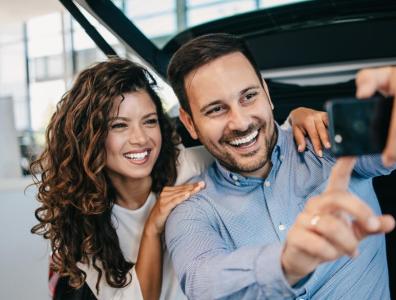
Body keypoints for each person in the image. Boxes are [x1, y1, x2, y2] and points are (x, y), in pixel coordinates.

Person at [164, 33, 396, 299]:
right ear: (190, 123)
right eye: (216, 109)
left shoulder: (327, 141)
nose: (241, 122)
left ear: (267, 94)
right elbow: (203, 284)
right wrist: (286, 264)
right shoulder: (193, 209)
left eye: (248, 96)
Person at [30, 57, 328, 300]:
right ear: (91, 138)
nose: (140, 139)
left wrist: (296, 119)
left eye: (149, 122)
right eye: (119, 125)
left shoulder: (187, 164)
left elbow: (248, 143)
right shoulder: (83, 223)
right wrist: (152, 228)